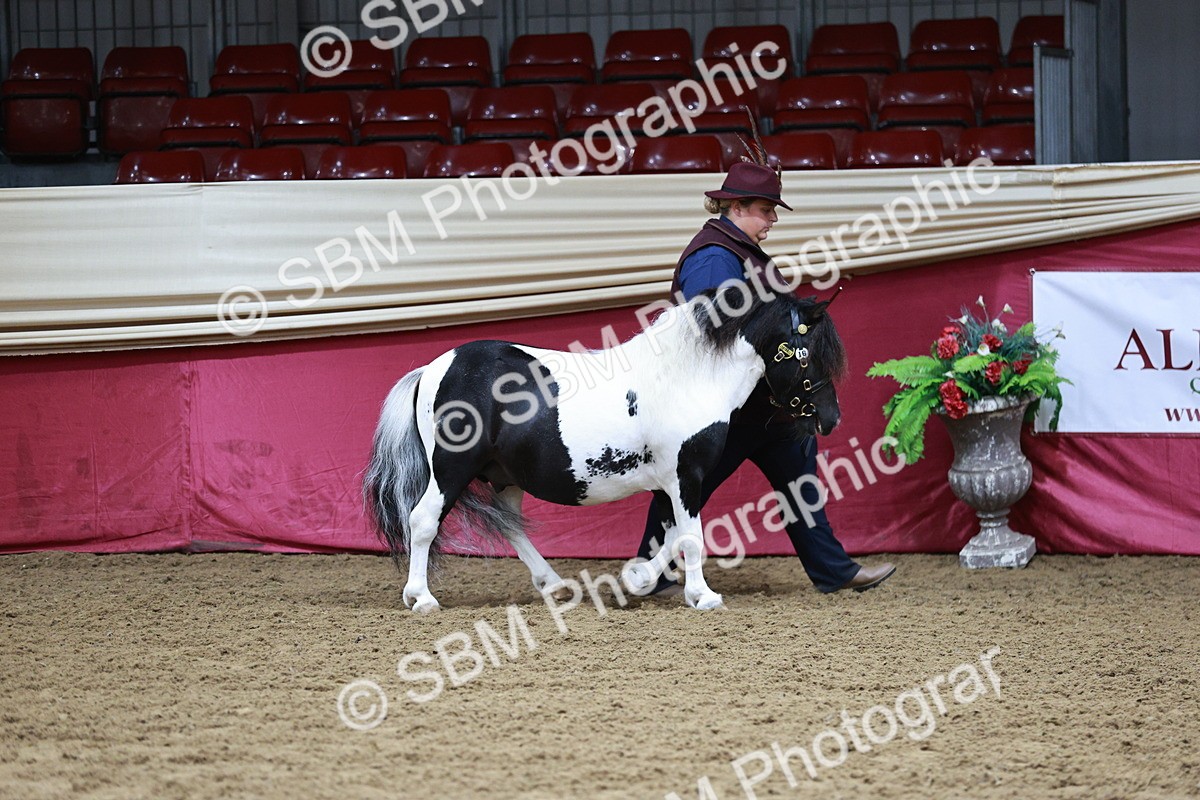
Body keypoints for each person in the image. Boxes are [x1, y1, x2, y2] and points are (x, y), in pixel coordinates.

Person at [635, 157, 895, 595]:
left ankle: (833, 571)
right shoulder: (714, 257)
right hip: (728, 410)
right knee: (687, 487)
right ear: (736, 207)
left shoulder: (738, 251)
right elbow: (709, 331)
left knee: (798, 483)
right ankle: (651, 569)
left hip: (766, 407)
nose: (773, 218)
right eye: (766, 209)